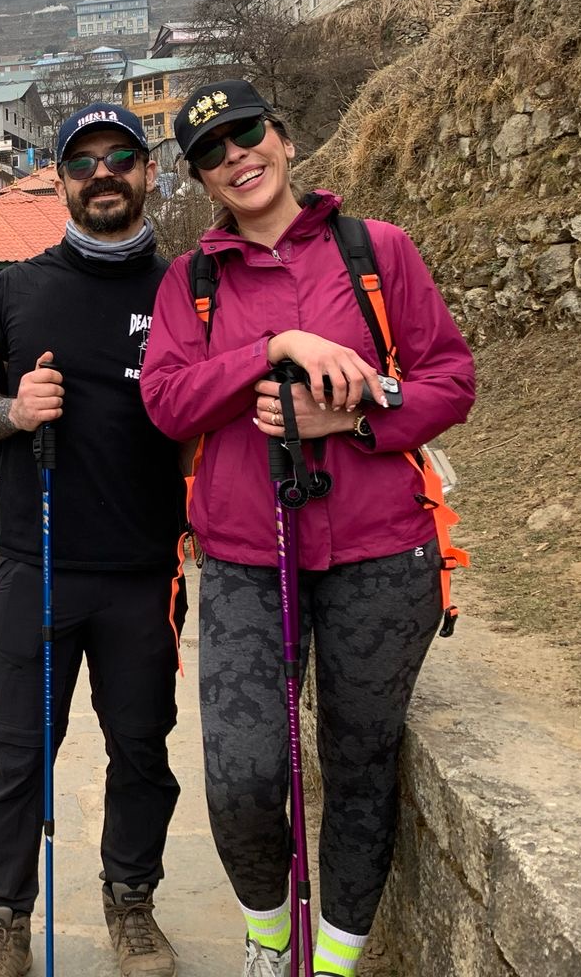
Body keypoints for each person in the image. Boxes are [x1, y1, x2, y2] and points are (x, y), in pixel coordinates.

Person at [140, 80, 475, 977]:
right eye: (211, 152)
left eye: (246, 134)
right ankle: (267, 931)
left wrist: (358, 418)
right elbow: (167, 400)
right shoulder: (194, 282)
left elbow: (449, 379)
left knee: (361, 766)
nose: (235, 157)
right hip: (250, 559)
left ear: (283, 140)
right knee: (242, 776)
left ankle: (335, 959)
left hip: (380, 556)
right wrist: (275, 350)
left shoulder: (378, 252)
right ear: (202, 179)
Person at [0, 103, 187, 977]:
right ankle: (2, 920)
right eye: (83, 162)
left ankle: (132, 902)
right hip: (32, 567)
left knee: (142, 748)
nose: (103, 173)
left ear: (150, 170)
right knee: (16, 751)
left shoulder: (189, 287)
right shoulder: (17, 288)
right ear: (61, 181)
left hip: (145, 572)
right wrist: (11, 411)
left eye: (121, 156)